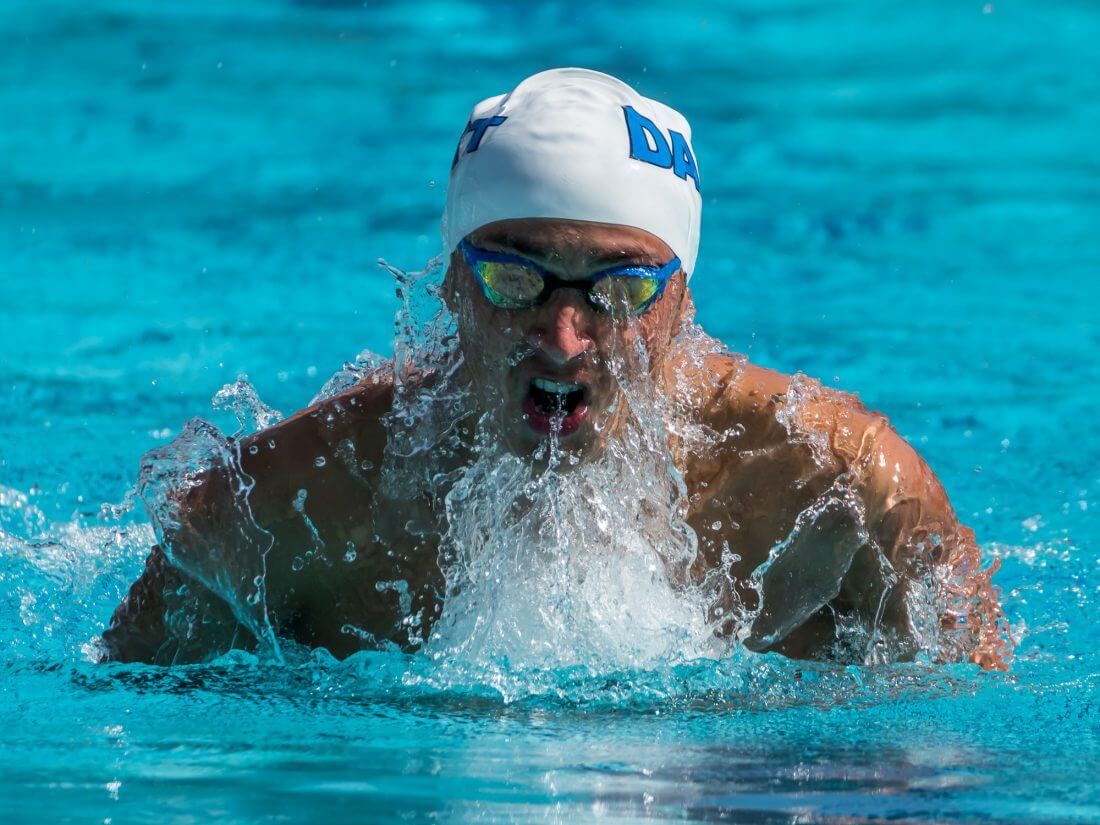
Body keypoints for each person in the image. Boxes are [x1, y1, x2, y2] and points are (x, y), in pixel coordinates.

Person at [101, 68, 1011, 670]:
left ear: (681, 303)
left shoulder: (839, 489)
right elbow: (127, 739)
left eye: (617, 289)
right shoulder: (279, 513)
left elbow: (976, 743)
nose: (562, 336)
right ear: (452, 284)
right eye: (513, 278)